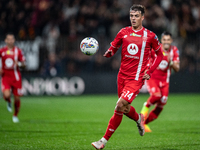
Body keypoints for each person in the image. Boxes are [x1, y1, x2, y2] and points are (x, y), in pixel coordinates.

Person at [91, 4, 163, 149]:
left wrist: (150, 71)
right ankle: (139, 119)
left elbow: (160, 55)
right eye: (131, 16)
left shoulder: (150, 36)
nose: (133, 18)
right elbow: (114, 47)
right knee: (124, 108)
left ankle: (103, 141)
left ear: (143, 17)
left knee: (119, 106)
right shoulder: (123, 32)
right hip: (121, 76)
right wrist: (108, 53)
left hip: (136, 79)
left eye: (136, 16)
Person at [140, 31, 180, 132]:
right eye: (164, 40)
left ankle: (144, 124)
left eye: (168, 40)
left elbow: (177, 68)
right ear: (161, 40)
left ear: (171, 41)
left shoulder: (174, 50)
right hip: (153, 78)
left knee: (162, 103)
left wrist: (170, 62)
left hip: (165, 81)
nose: (166, 42)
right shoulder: (155, 48)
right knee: (156, 95)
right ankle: (144, 110)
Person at [0, 33, 26, 123]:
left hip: (16, 77)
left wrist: (18, 64)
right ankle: (8, 101)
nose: (10, 41)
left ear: (14, 40)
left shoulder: (18, 51)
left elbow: (24, 64)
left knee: (17, 98)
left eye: (12, 39)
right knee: (6, 95)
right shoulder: (2, 51)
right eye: (9, 39)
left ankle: (15, 115)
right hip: (6, 77)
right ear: (5, 40)